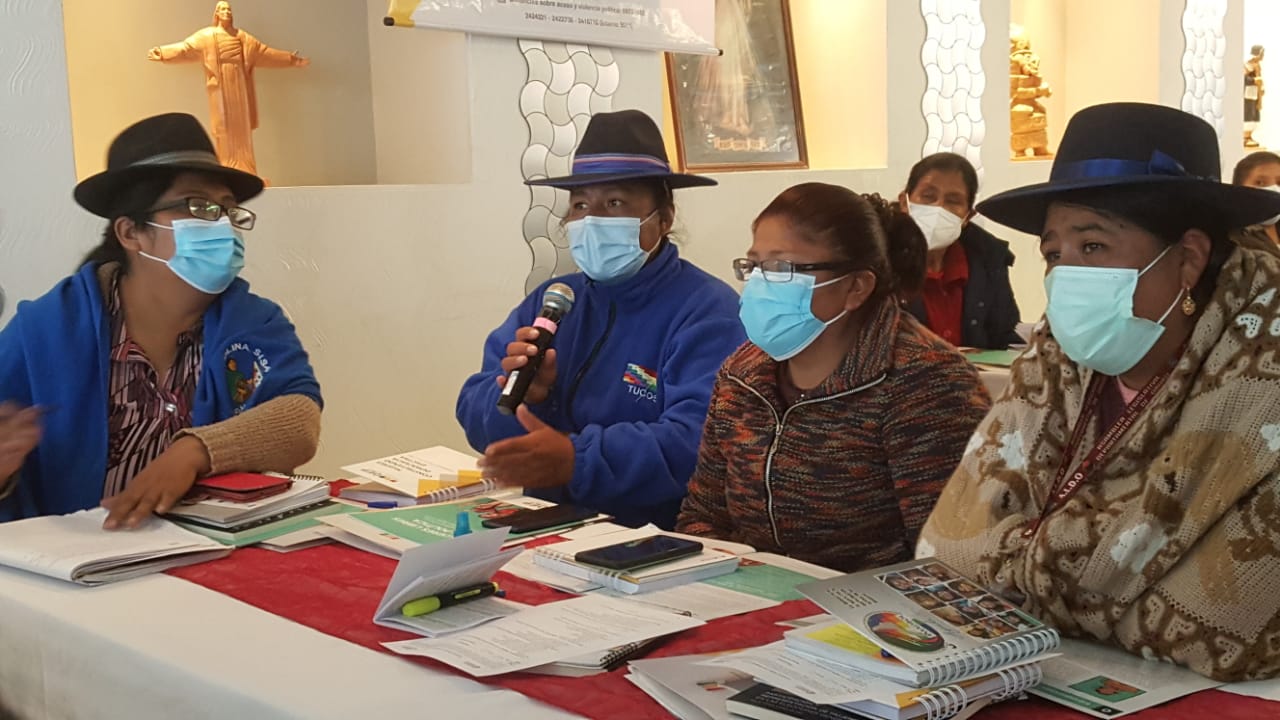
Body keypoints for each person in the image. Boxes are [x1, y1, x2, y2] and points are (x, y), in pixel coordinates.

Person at [917, 102, 1280, 682]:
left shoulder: (1262, 380)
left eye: (1092, 247)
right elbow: (945, 553)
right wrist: (1114, 591)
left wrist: (1021, 574)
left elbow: (1228, 629)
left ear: (1189, 258)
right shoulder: (1055, 361)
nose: (1066, 275)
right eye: (1053, 254)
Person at [0, 113, 322, 528]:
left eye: (228, 209)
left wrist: (197, 450)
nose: (222, 224)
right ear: (131, 233)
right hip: (72, 554)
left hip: (211, 548)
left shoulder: (253, 321)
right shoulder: (45, 330)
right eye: (198, 206)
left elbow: (299, 419)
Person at [675, 183, 991, 572]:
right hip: (749, 595)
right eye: (754, 265)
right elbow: (703, 515)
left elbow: (945, 561)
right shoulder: (742, 375)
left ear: (856, 287)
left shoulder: (925, 383)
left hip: (874, 603)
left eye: (780, 268)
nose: (757, 283)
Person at [456, 110, 745, 530]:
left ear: (663, 218)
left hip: (656, 537)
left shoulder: (707, 310)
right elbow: (473, 406)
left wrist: (578, 460)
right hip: (546, 525)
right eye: (580, 205)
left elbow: (700, 439)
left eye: (614, 203)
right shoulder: (555, 299)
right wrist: (522, 398)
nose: (592, 220)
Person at [149, 1, 309, 174]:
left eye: (229, 9)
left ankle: (246, 170)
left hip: (240, 86)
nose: (227, 12)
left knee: (242, 129)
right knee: (224, 128)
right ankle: (228, 168)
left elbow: (265, 53)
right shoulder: (207, 36)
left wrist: (290, 59)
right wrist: (163, 52)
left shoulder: (243, 38)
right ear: (217, 14)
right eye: (223, 9)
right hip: (221, 87)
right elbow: (185, 49)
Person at [899, 152, 1023, 349]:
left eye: (953, 201)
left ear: (967, 216)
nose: (939, 207)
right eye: (928, 196)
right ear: (904, 203)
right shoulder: (879, 260)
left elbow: (1006, 336)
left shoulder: (989, 261)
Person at [1232, 150, 1280, 246]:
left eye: (1279, 183)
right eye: (1260, 183)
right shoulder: (1233, 242)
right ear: (1239, 190)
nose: (1274, 190)